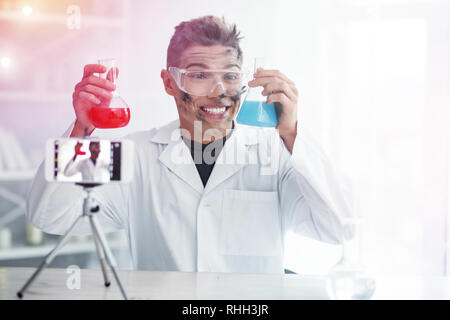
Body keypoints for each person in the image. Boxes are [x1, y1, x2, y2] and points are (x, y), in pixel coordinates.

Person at [27, 16, 353, 273]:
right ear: (170, 82)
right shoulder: (135, 154)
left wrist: (292, 133)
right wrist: (82, 129)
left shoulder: (276, 153)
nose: (219, 90)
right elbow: (50, 216)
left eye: (230, 75)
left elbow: (338, 228)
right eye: (198, 76)